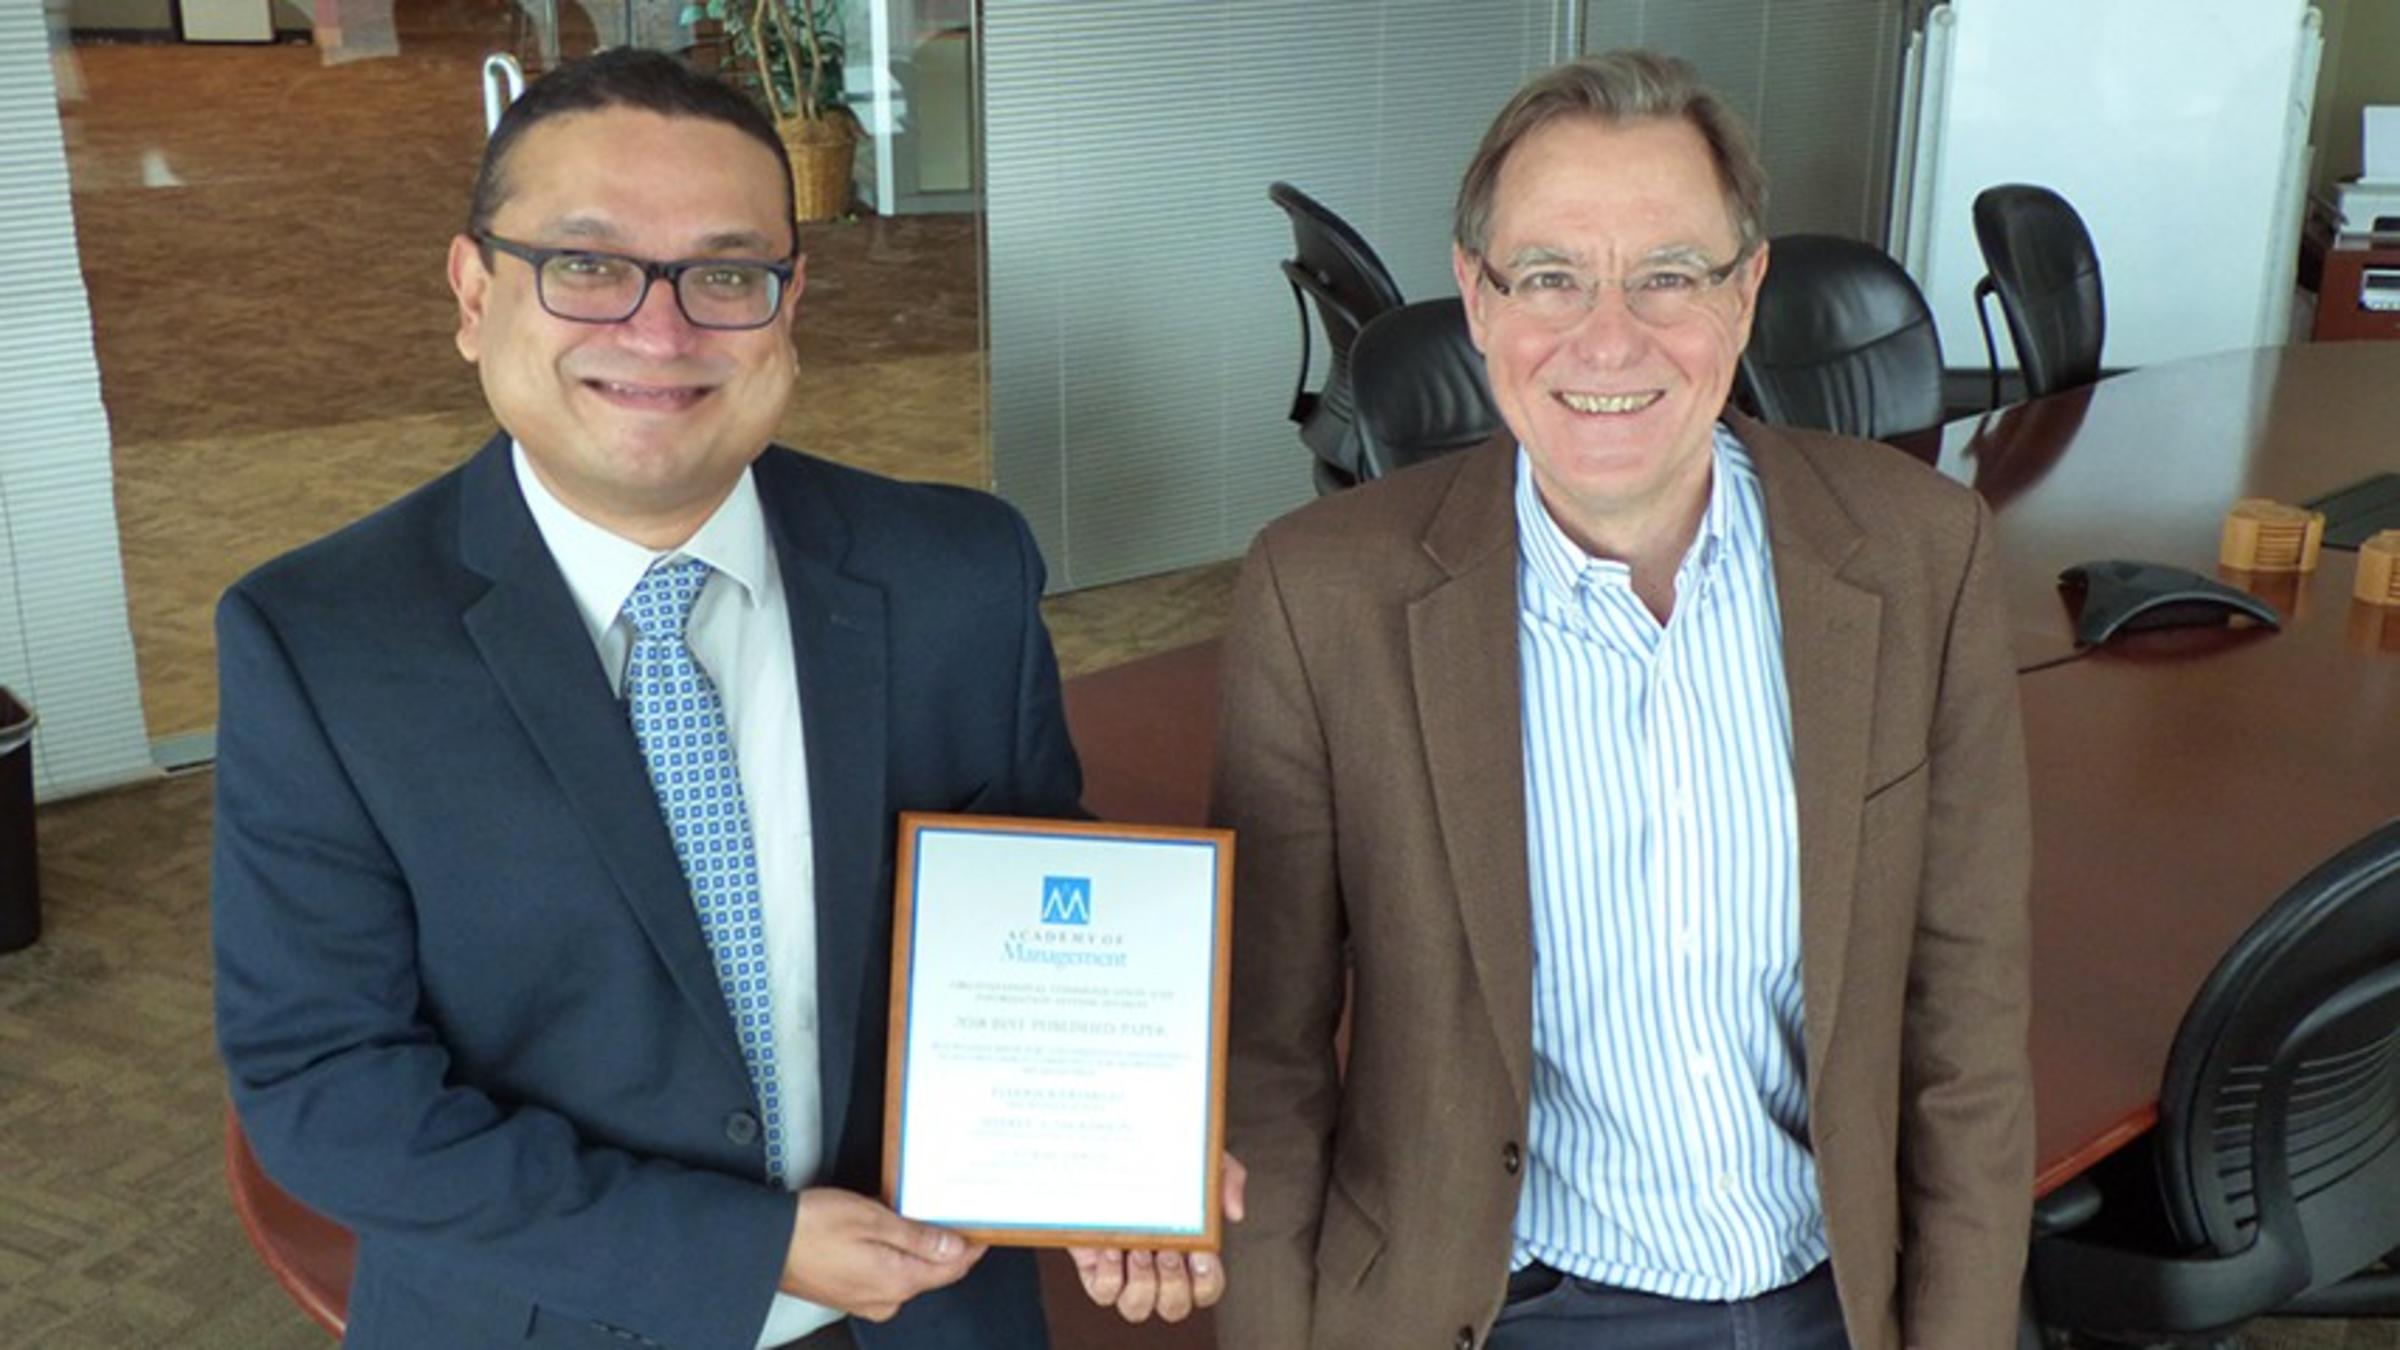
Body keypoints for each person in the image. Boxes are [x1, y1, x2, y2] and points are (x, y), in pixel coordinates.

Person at [212, 49, 1082, 1350]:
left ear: (790, 303)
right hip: (547, 1317)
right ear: (472, 290)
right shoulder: (321, 644)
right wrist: (747, 1250)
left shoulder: (961, 570)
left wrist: (1123, 1155)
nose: (660, 330)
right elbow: (326, 1087)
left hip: (927, 1312)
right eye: (587, 264)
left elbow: (1045, 941)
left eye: (727, 274)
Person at [1211, 50, 2034, 1350]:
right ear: (1477, 298)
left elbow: (1968, 1040)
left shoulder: (1922, 555)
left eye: (1669, 274)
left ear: (1749, 291)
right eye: (1549, 276)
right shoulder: (1321, 599)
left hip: (1835, 1294)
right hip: (1498, 1304)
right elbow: (1267, 1067)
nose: (1609, 335)